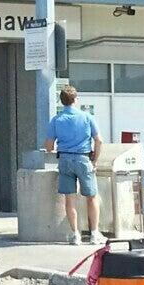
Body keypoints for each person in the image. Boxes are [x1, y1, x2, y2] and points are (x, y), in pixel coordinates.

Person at [45, 85, 106, 246]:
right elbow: (99, 140)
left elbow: (49, 146)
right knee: (92, 197)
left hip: (64, 160)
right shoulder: (87, 117)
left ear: (61, 101)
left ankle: (75, 235)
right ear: (75, 99)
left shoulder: (56, 120)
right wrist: (94, 160)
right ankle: (94, 234)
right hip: (83, 159)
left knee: (69, 199)